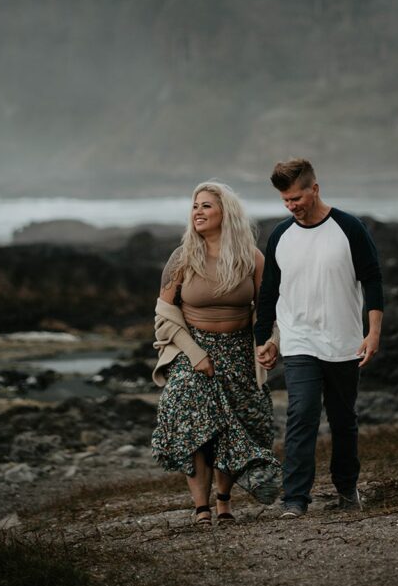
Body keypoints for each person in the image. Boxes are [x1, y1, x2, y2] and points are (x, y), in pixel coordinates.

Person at [254, 159, 384, 518]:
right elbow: (269, 292)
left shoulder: (349, 228)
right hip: (299, 342)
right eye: (285, 200)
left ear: (315, 189)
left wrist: (372, 333)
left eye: (296, 197)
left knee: (343, 419)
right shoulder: (280, 235)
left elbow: (372, 279)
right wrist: (264, 339)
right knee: (302, 413)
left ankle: (346, 489)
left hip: (344, 341)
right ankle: (295, 499)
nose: (291, 205)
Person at [151, 180, 281, 526]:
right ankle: (201, 508)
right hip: (193, 351)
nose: (198, 211)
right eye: (195, 206)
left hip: (240, 352)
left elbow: (268, 310)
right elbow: (164, 313)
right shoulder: (182, 258)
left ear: (227, 213)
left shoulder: (251, 258)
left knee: (241, 424)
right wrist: (195, 354)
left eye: (206, 205)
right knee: (189, 414)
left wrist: (269, 343)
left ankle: (223, 501)